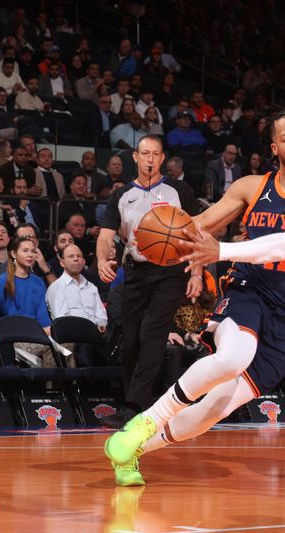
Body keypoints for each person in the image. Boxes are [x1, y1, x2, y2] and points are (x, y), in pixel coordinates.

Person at [102, 109, 285, 487]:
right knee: (234, 355)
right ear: (274, 148)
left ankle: (130, 450)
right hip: (248, 291)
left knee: (213, 409)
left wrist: (219, 252)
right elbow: (195, 227)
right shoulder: (251, 186)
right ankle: (145, 420)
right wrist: (153, 237)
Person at [95, 134, 200, 429]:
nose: (150, 159)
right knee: (131, 340)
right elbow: (106, 236)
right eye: (145, 153)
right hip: (136, 272)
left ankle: (133, 407)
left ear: (162, 158)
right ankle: (137, 400)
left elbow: (197, 235)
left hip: (170, 272)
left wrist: (196, 272)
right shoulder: (121, 195)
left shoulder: (179, 190)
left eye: (156, 154)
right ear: (136, 158)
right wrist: (103, 259)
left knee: (153, 334)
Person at [0, 235, 58, 368]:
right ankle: (49, 388)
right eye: (25, 250)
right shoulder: (3, 281)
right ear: (13, 254)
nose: (30, 255)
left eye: (33, 251)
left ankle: (68, 387)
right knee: (51, 348)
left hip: (38, 335)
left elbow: (42, 315)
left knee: (67, 344)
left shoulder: (38, 282)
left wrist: (48, 330)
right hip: (15, 337)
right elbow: (10, 317)